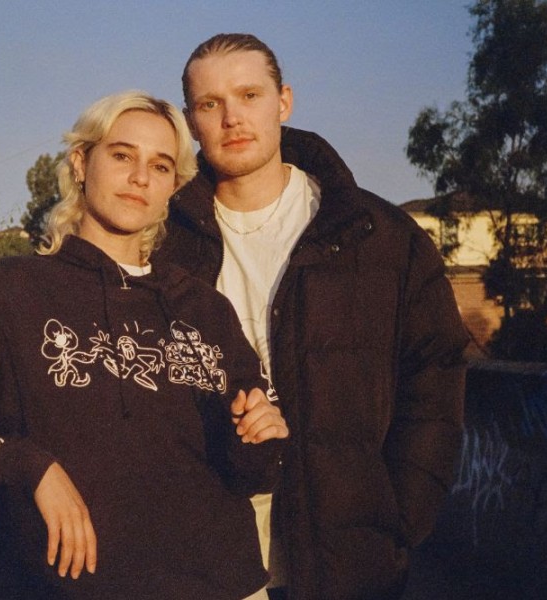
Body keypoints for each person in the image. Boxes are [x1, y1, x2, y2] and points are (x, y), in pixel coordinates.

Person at [0, 90, 289, 600]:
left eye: (160, 166)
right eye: (122, 155)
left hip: (228, 587)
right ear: (80, 162)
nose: (140, 177)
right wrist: (31, 468)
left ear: (174, 187)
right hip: (77, 588)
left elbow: (253, 472)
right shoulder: (10, 291)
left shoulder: (206, 309)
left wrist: (260, 437)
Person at [153, 34, 469, 599]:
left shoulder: (378, 236)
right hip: (207, 555)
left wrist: (399, 513)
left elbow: (435, 376)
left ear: (284, 102)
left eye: (249, 95)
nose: (231, 118)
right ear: (191, 122)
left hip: (348, 561)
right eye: (210, 104)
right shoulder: (162, 244)